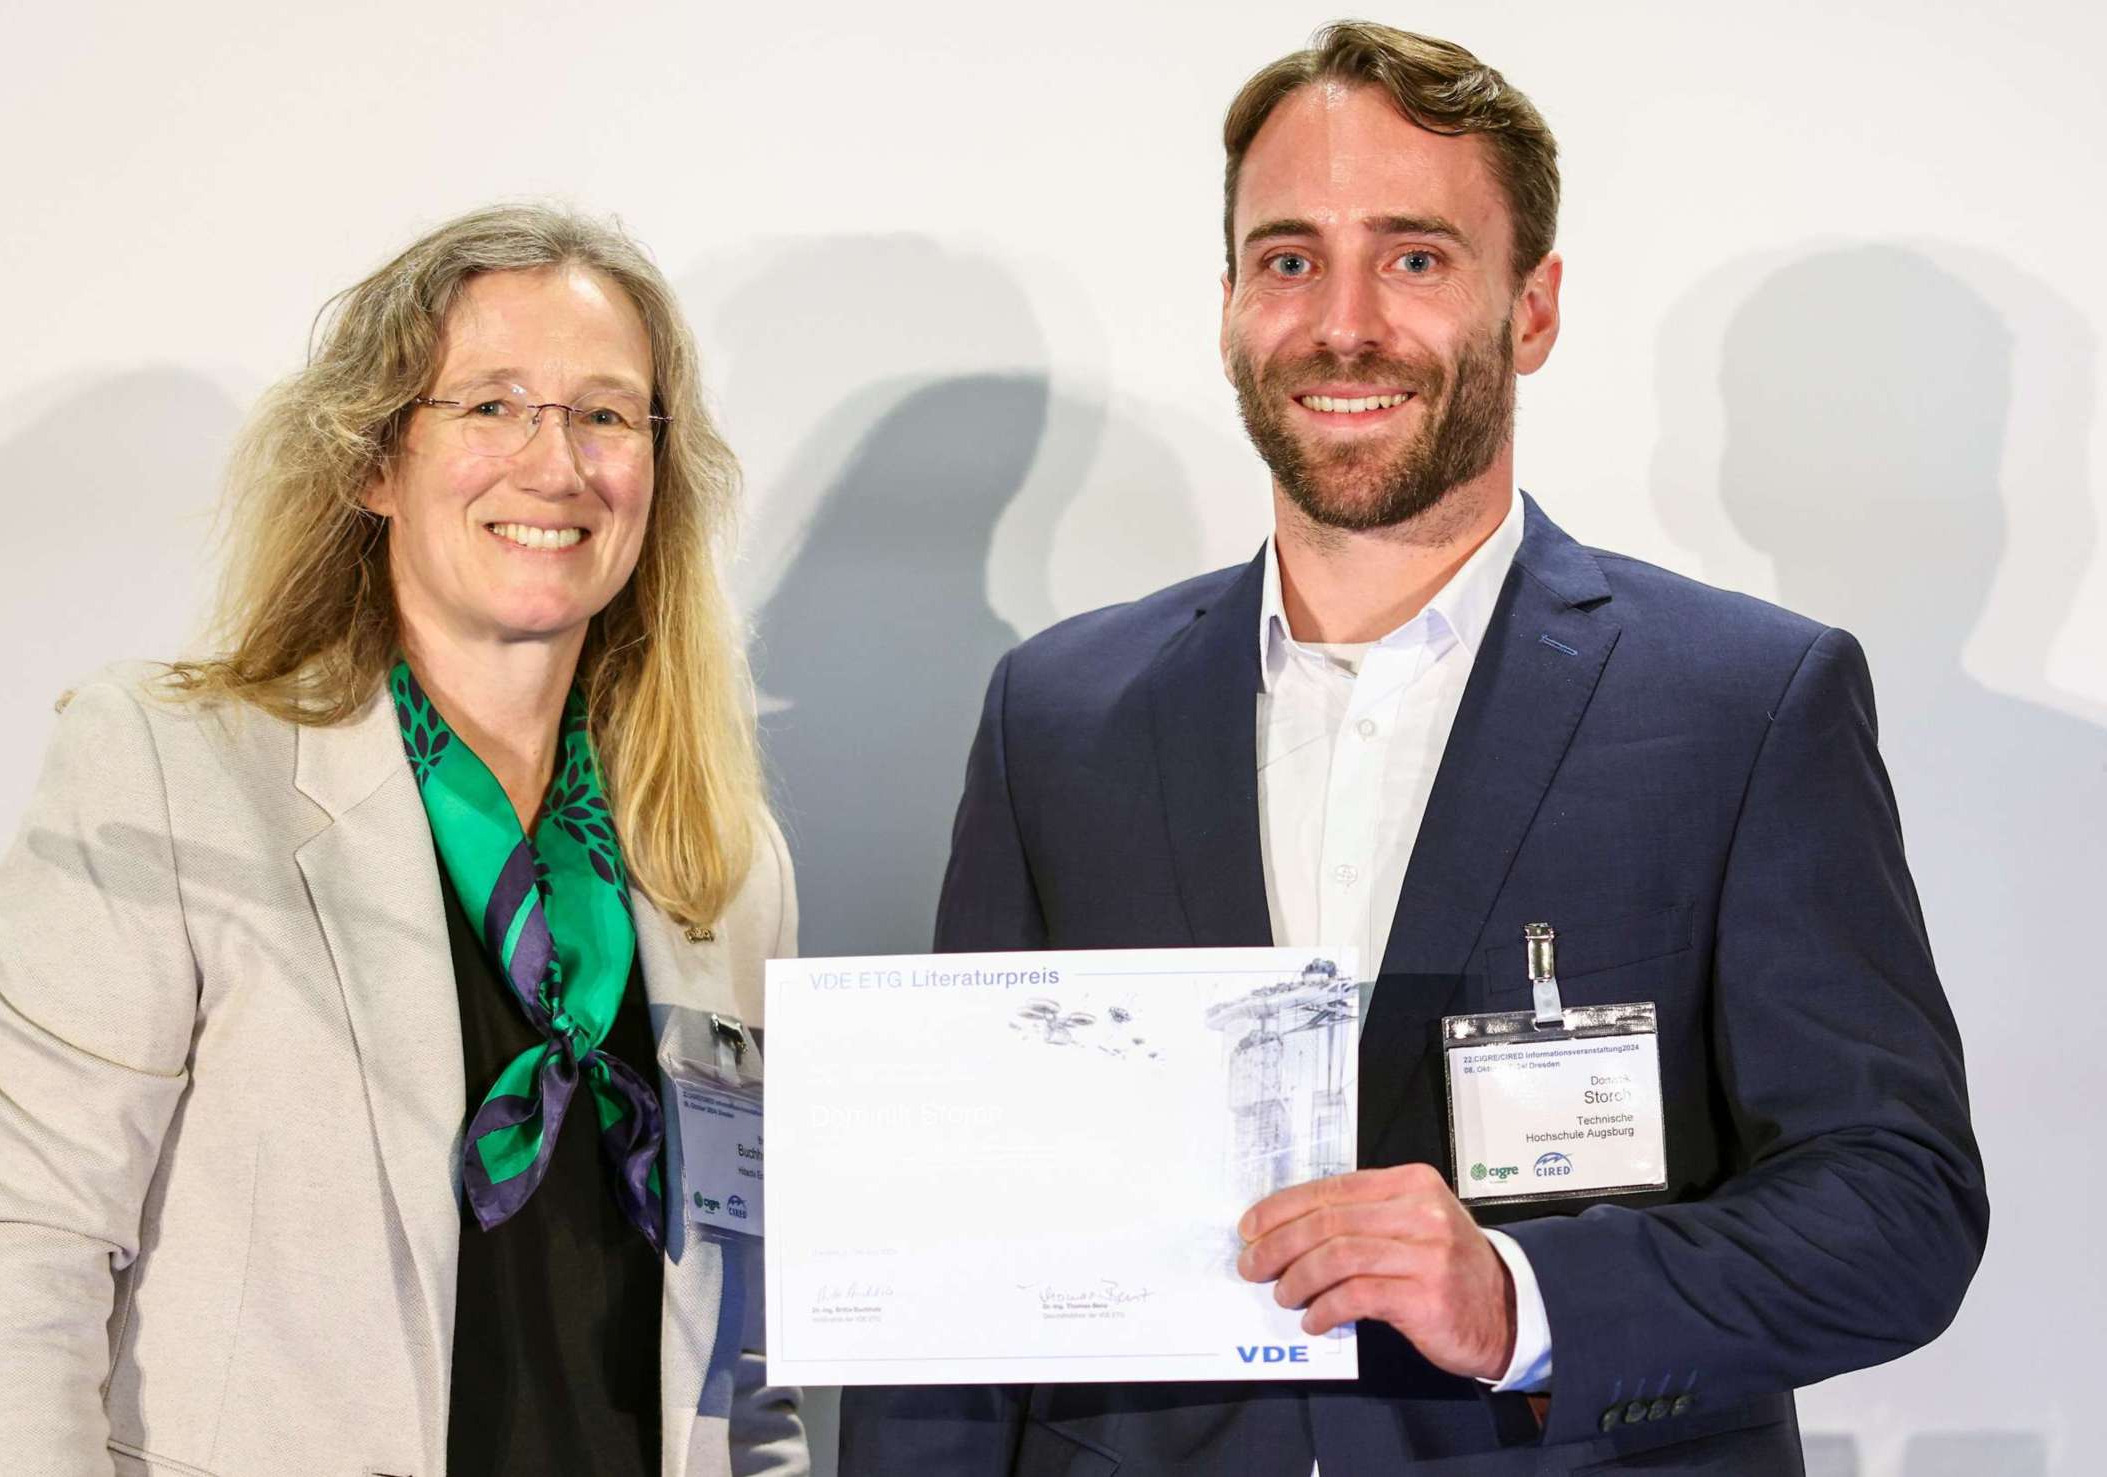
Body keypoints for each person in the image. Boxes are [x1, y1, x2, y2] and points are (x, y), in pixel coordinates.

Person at [839, 21, 1986, 1475]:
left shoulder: (1748, 702)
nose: (1344, 322)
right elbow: (961, 1232)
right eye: (1290, 257)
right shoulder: (1059, 716)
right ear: (1232, 304)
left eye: (1419, 257)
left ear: (1536, 309)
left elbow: (1899, 1207)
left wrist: (1522, 1297)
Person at [0, 204, 806, 1477]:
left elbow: (746, 1344)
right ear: (374, 462)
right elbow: (16, 1246)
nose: (555, 462)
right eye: (489, 405)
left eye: (604, 413)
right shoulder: (168, 768)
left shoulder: (724, 863)